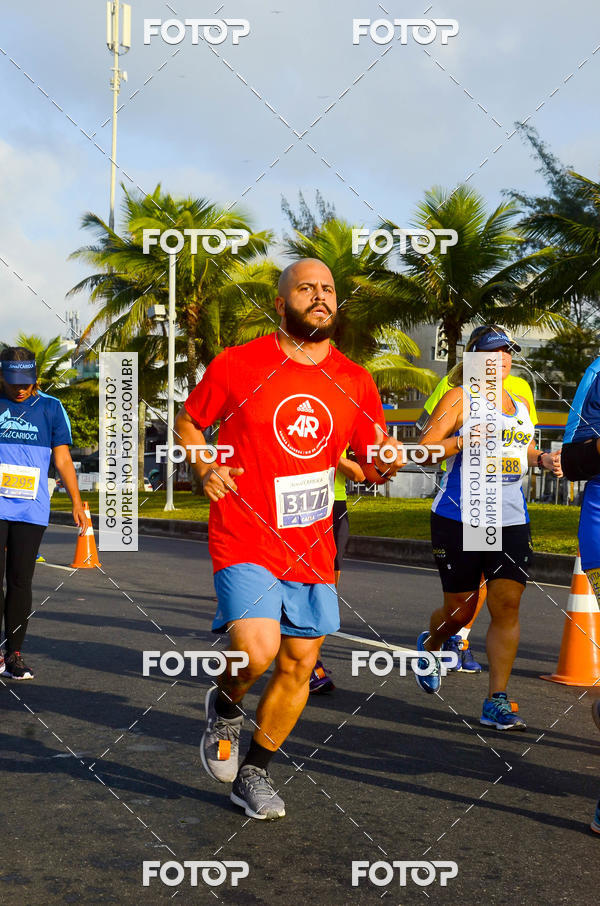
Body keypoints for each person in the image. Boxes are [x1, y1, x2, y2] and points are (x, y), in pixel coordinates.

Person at [174, 258, 403, 820]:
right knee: (258, 650)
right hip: (244, 533)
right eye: (306, 288)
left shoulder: (354, 379)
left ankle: (253, 772)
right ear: (281, 303)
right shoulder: (238, 364)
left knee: (300, 663)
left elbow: (370, 455)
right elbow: (189, 423)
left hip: (312, 543)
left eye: (327, 289)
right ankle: (226, 707)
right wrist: (205, 467)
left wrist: (386, 461)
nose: (320, 296)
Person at [415, 326, 561, 729]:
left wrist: (542, 459)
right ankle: (432, 644)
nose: (503, 359)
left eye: (508, 352)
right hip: (462, 514)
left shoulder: (519, 401)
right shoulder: (459, 397)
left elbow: (521, 448)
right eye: (493, 353)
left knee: (506, 605)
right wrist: (461, 442)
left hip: (511, 516)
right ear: (475, 358)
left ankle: (496, 698)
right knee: (461, 612)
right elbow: (424, 449)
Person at [0, 347, 86, 679]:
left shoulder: (51, 408)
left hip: (30, 507)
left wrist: (76, 501)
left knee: (21, 581)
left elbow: (62, 458)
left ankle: (14, 655)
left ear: (36, 377)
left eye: (26, 382)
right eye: (12, 383)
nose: (19, 389)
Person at [309, 449, 365, 694]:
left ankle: (455, 636)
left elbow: (361, 474)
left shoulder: (345, 418)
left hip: (335, 505)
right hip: (300, 501)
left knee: (326, 590)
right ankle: (310, 662)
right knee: (308, 585)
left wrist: (335, 457)